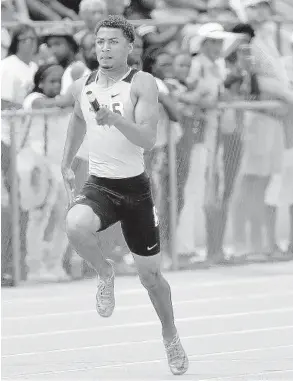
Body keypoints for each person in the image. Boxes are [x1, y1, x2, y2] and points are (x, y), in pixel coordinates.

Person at [60, 16, 188, 375]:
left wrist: (115, 120)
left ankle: (170, 336)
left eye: (113, 42)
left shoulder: (141, 83)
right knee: (75, 225)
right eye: (100, 42)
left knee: (151, 279)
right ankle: (105, 274)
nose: (105, 48)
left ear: (129, 46)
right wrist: (66, 161)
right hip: (101, 185)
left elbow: (148, 140)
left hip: (134, 191)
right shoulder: (83, 84)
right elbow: (78, 120)